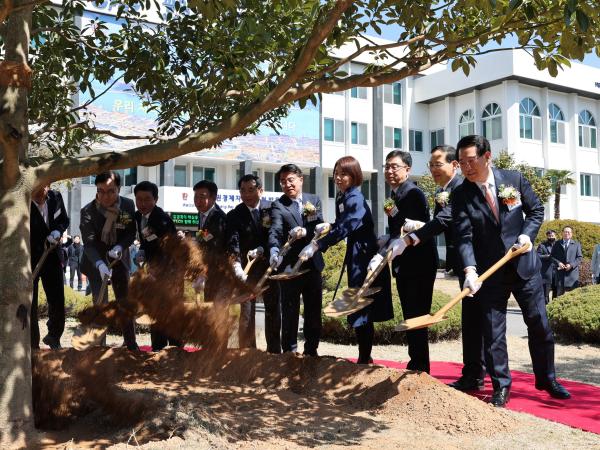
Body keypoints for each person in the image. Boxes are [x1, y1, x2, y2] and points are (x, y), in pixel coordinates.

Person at [452, 134, 570, 407]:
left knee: (539, 325)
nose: (466, 167)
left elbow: (536, 210)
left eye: (471, 161)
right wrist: (470, 269)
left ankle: (547, 378)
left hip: (524, 266)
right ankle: (501, 387)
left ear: (487, 156)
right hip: (490, 272)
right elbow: (463, 235)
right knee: (493, 333)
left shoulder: (513, 180)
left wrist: (528, 235)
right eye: (461, 162)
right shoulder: (460, 195)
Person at [404, 145, 485, 390]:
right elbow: (441, 223)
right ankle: (474, 373)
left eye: (438, 164)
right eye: (430, 165)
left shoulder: (460, 188)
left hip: (475, 262)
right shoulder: (444, 190)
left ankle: (476, 374)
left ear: (454, 165)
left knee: (476, 319)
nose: (433, 169)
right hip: (462, 262)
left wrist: (412, 237)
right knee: (471, 319)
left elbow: (444, 220)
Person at [300, 156, 393, 363]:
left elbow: (349, 225)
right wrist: (329, 227)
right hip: (356, 253)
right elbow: (342, 224)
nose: (339, 178)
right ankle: (364, 355)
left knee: (362, 302)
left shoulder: (355, 198)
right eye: (336, 174)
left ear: (354, 176)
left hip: (366, 255)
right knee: (357, 301)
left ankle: (364, 357)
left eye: (344, 174)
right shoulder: (343, 197)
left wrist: (318, 245)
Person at [381, 150, 438, 373]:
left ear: (407, 169)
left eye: (395, 166)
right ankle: (416, 362)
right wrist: (387, 239)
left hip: (419, 265)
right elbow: (398, 227)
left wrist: (398, 239)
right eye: (387, 167)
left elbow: (419, 228)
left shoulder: (413, 193)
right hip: (404, 265)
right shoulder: (394, 195)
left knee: (417, 316)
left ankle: (421, 366)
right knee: (410, 314)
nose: (390, 171)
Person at [269, 164, 324, 356]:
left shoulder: (313, 200)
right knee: (290, 311)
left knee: (313, 312)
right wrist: (274, 250)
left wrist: (307, 232)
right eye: (283, 181)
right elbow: (275, 230)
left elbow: (320, 227)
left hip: (312, 263)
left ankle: (311, 351)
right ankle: (289, 352)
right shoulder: (278, 205)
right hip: (290, 267)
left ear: (301, 179)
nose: (287, 184)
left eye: (290, 179)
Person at [80, 170, 139, 351]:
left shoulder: (128, 205)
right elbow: (88, 243)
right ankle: (99, 347)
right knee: (101, 304)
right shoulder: (88, 211)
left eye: (111, 191)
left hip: (119, 261)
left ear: (119, 189)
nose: (106, 196)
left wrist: (120, 247)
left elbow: (130, 232)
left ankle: (131, 344)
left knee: (124, 303)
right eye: (101, 191)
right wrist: (99, 264)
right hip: (95, 263)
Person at [226, 174, 281, 351]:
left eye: (251, 190)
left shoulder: (272, 210)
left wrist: (266, 250)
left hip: (270, 268)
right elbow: (232, 241)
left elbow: (276, 233)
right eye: (242, 190)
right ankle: (247, 352)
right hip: (246, 270)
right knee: (247, 311)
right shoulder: (234, 215)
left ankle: (274, 351)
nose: (247, 194)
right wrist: (236, 266)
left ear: (260, 190)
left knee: (272, 309)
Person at [134, 181, 182, 351]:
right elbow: (148, 242)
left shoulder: (161, 219)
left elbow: (170, 250)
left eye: (147, 199)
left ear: (156, 199)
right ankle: (157, 351)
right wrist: (141, 251)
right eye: (139, 199)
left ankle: (176, 353)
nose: (143, 203)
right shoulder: (139, 216)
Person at [30, 185, 70, 349]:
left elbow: (63, 220)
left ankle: (54, 336)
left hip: (53, 255)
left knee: (57, 298)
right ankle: (32, 341)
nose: (41, 192)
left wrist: (57, 231)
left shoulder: (56, 197)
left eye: (44, 187)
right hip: (31, 258)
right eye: (37, 187)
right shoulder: (22, 201)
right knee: (30, 300)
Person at [193, 180, 227, 302]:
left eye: (202, 197)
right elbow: (203, 237)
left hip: (217, 270)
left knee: (216, 308)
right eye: (195, 196)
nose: (197, 201)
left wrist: (203, 271)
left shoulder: (218, 217)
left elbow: (215, 246)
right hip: (208, 270)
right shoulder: (201, 214)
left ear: (213, 198)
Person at [551, 226, 583, 296]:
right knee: (560, 297)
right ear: (562, 233)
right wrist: (558, 263)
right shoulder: (557, 243)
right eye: (565, 232)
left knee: (573, 297)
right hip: (560, 276)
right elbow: (552, 256)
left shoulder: (576, 244)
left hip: (572, 276)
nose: (567, 233)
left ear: (571, 234)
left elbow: (579, 258)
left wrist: (571, 265)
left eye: (568, 232)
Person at [537, 230, 557, 303]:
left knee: (556, 291)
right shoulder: (542, 245)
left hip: (557, 271)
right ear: (547, 236)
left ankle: (554, 307)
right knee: (545, 292)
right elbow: (537, 256)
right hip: (546, 272)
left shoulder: (558, 244)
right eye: (549, 236)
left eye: (552, 235)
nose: (551, 237)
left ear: (555, 236)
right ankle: (546, 308)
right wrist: (547, 256)